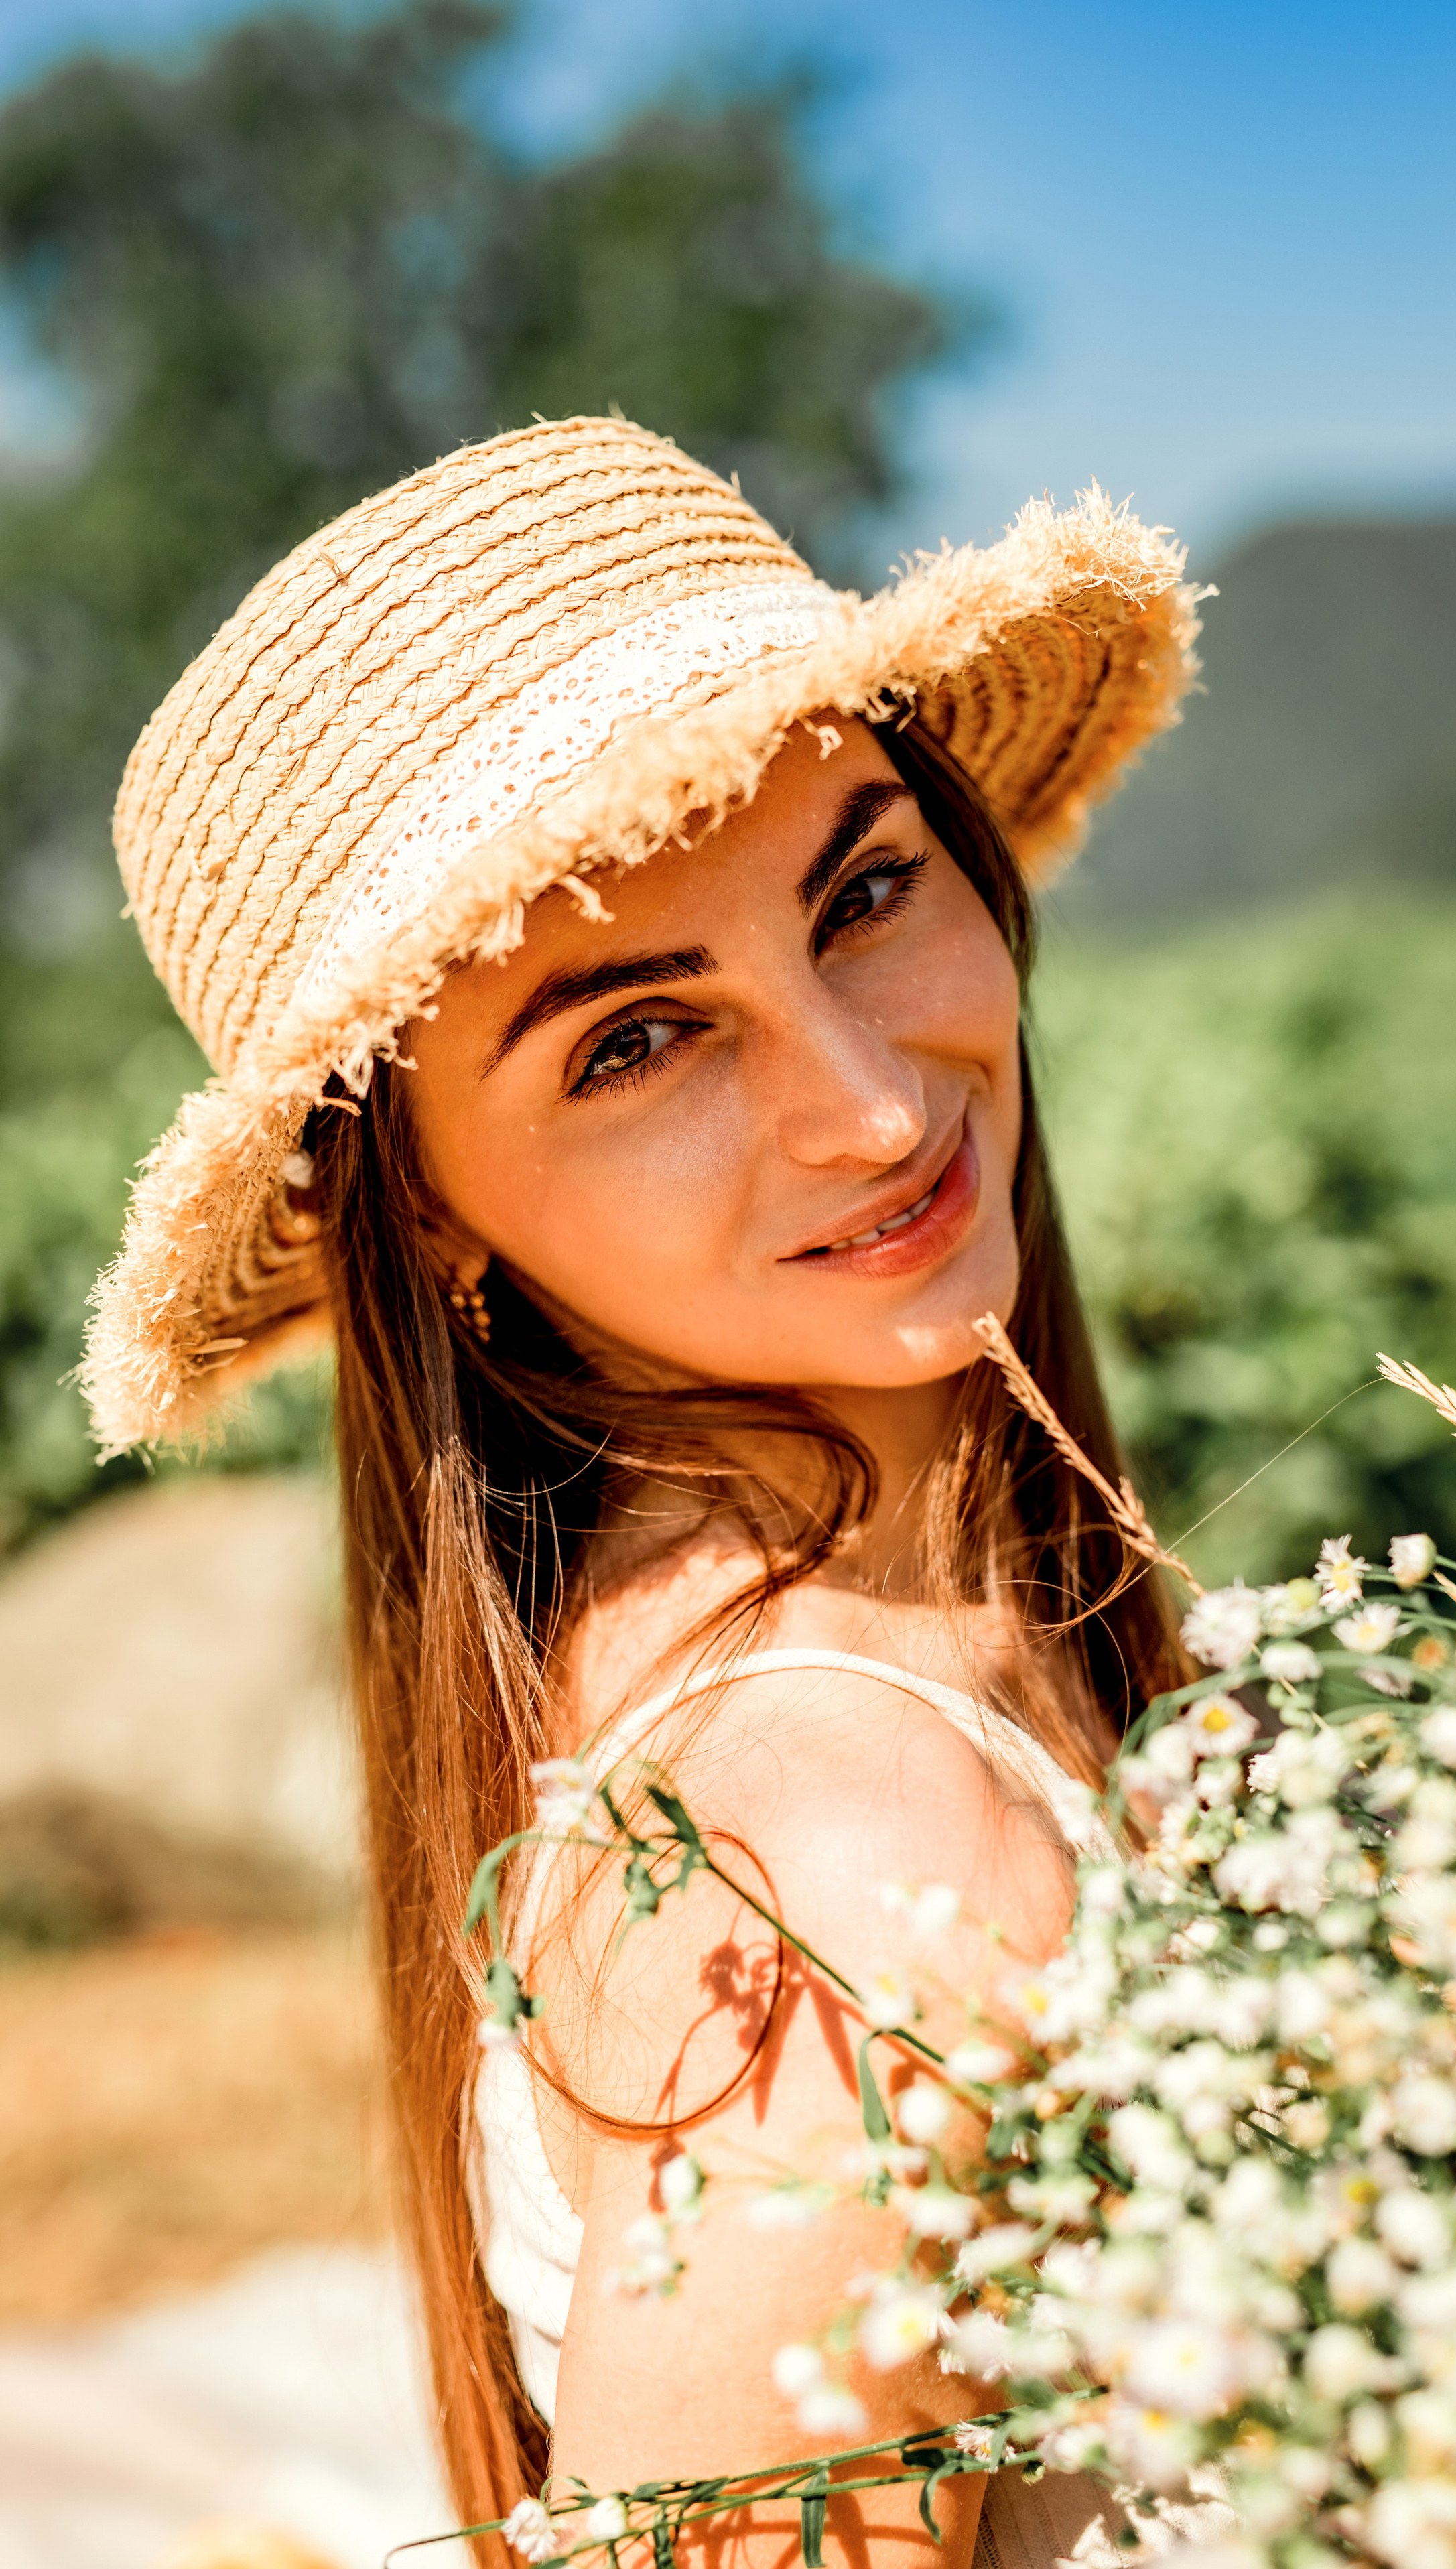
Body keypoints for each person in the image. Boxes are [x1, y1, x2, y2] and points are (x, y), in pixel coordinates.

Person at [88, 418, 1200, 2568]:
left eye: (864, 892)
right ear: (420, 1217)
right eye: (632, 1043)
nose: (869, 1106)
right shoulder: (846, 1870)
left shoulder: (930, 1632)